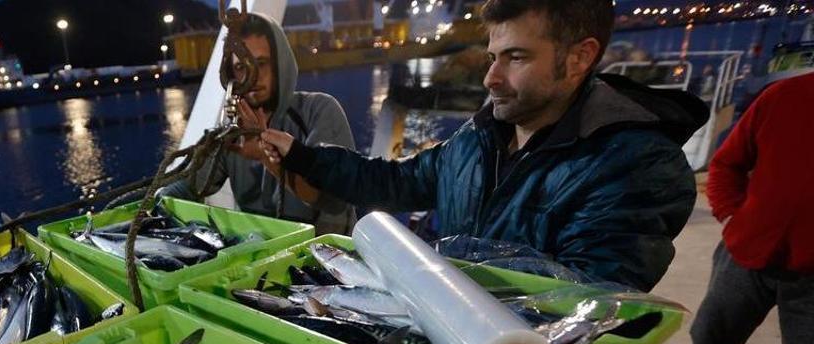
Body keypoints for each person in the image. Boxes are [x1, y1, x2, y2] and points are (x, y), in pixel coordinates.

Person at [259, 0, 708, 291]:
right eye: (493, 57)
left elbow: (595, 299)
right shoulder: (479, 136)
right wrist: (300, 155)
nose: (490, 79)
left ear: (579, 58)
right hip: (445, 333)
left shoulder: (637, 165)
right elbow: (395, 181)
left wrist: (439, 261)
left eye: (516, 57)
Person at [666, 72, 814, 344]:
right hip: (747, 251)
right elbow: (728, 162)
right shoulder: (785, 96)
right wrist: (732, 215)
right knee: (712, 337)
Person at [160, 12, 359, 235]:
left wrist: (266, 157)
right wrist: (151, 204)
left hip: (326, 259)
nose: (251, 77)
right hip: (261, 258)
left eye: (261, 64)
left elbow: (333, 201)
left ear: (280, 65)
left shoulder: (319, 111)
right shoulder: (232, 131)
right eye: (240, 68)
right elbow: (188, 185)